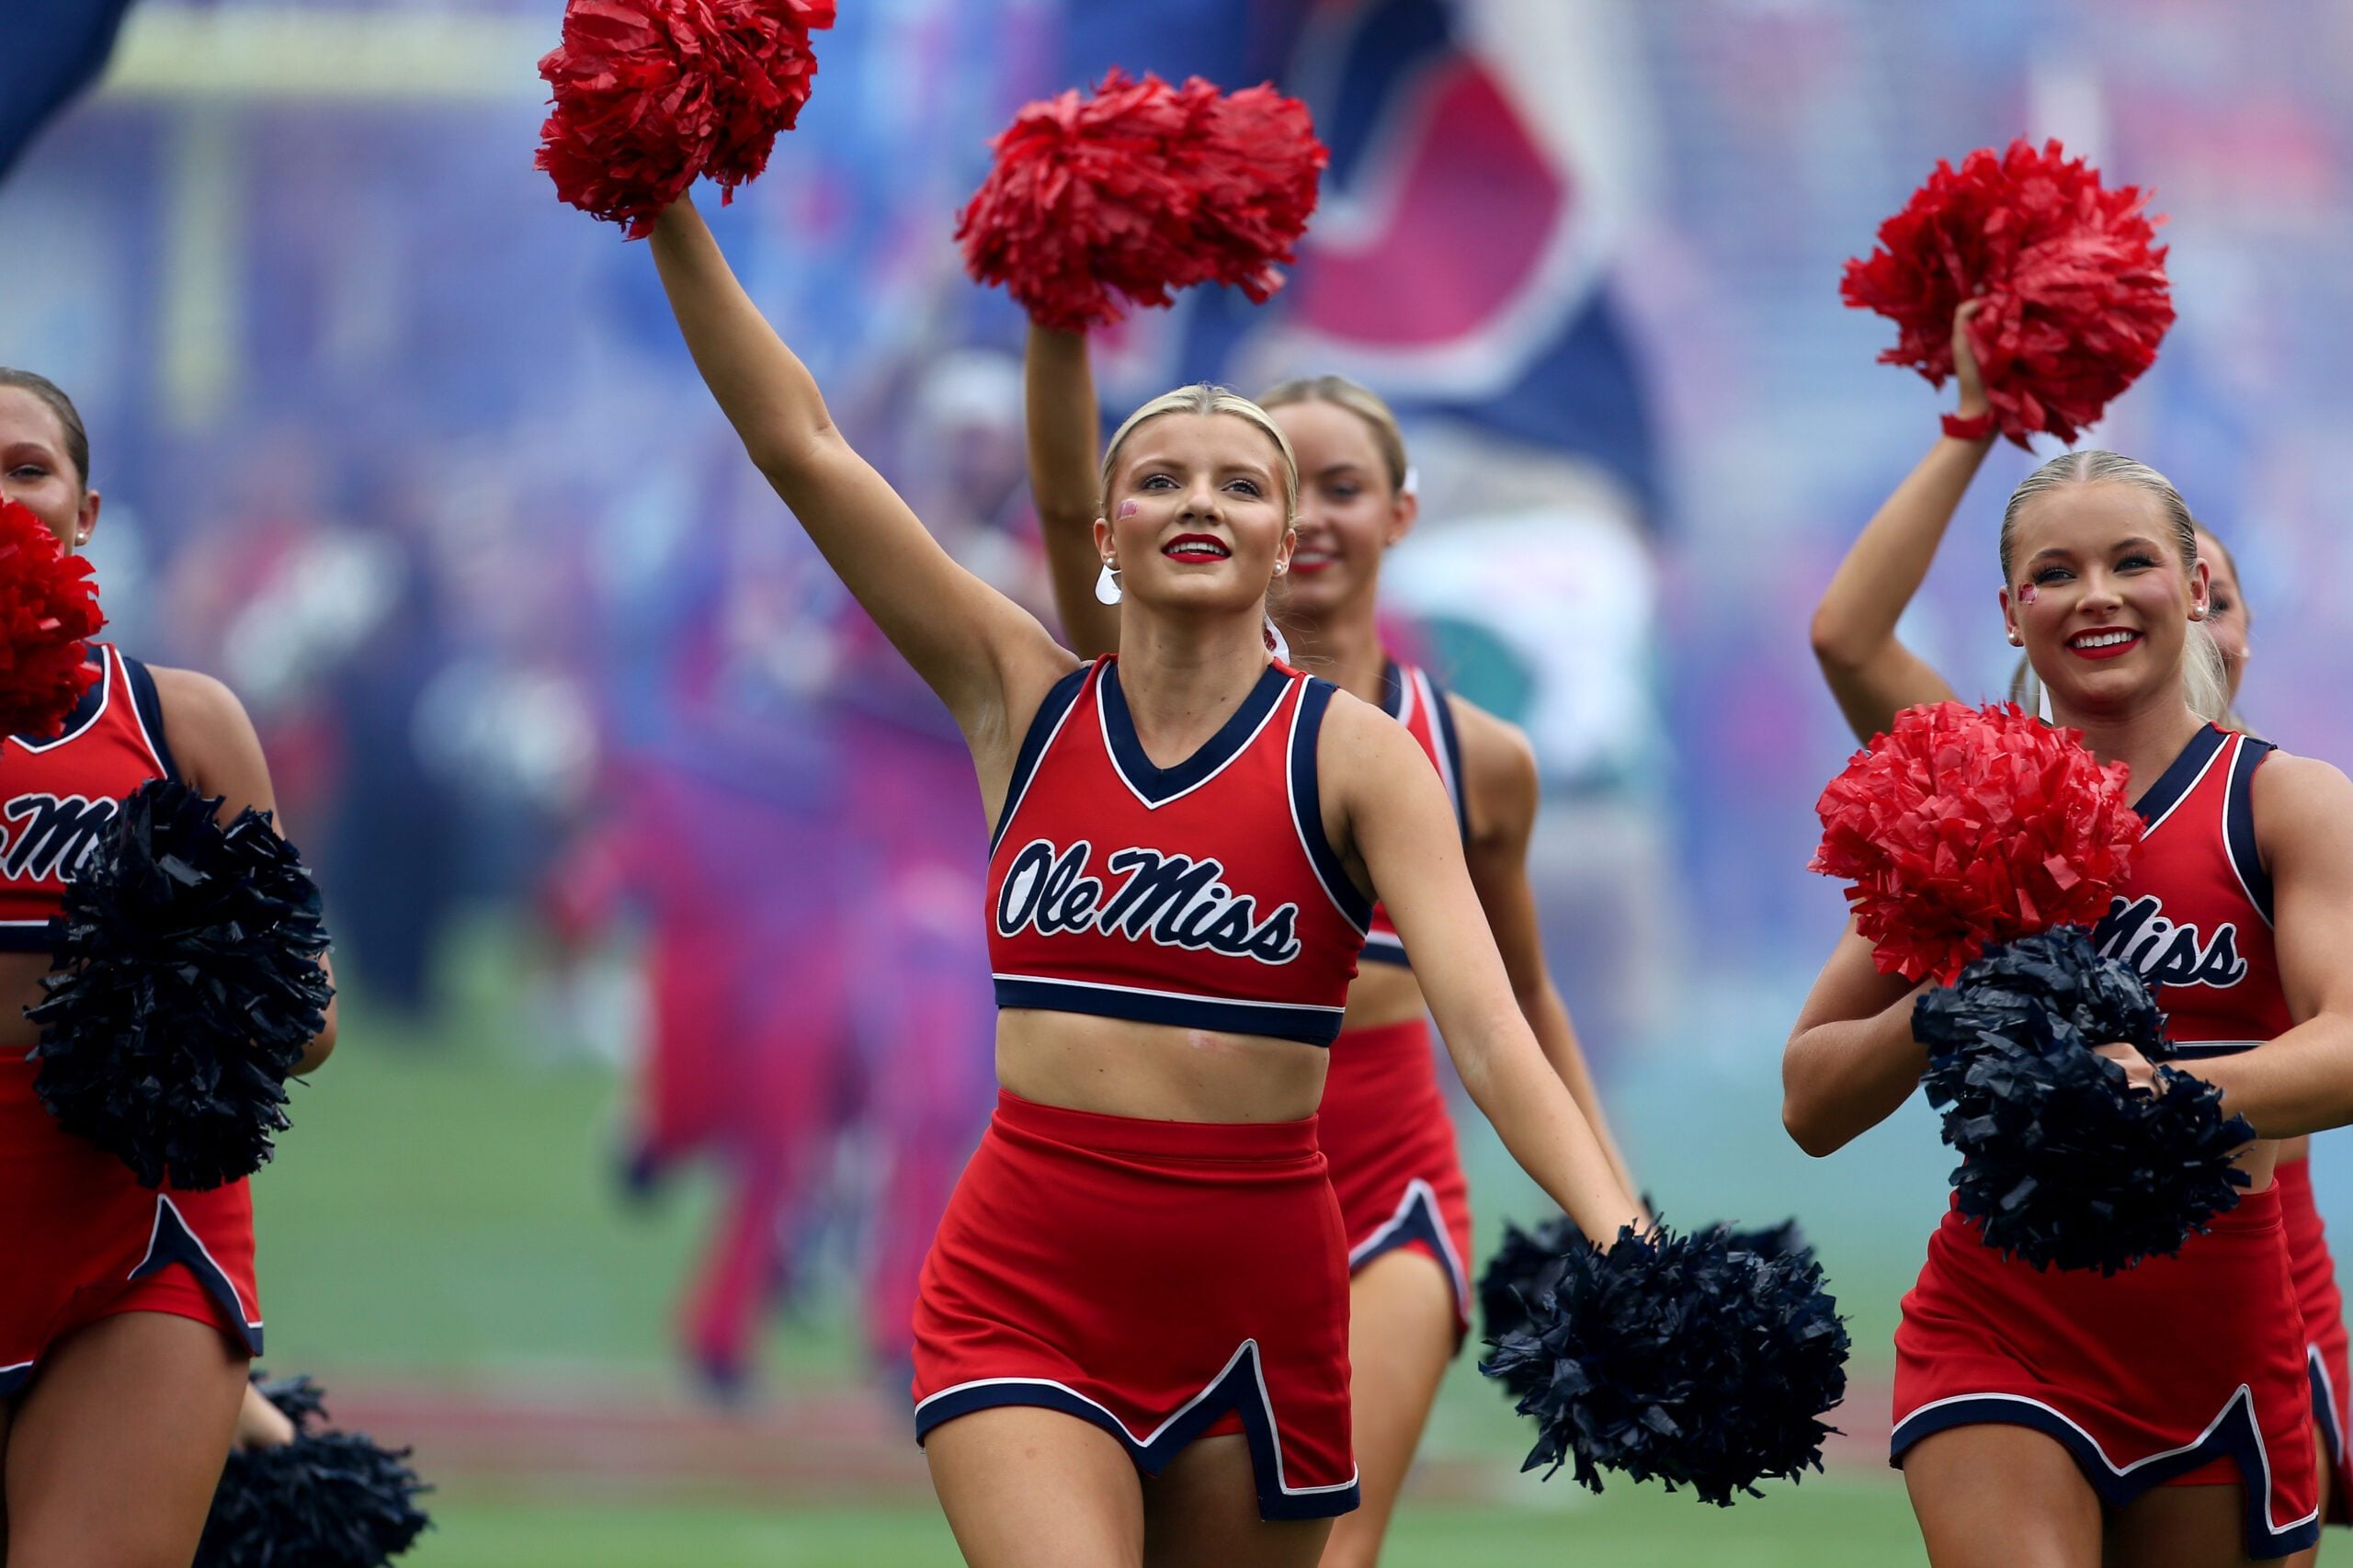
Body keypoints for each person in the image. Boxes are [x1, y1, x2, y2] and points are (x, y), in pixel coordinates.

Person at [642, 196, 1640, 1568]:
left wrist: (1629, 1239)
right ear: (1103, 533)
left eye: (1241, 482)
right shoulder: (1020, 699)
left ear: (1284, 535)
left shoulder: (1361, 759)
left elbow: (1490, 1029)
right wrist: (666, 210)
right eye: (1160, 477)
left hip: (1259, 1299)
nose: (1198, 502)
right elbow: (803, 447)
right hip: (1023, 1278)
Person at [1024, 326, 1636, 1564]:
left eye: (1342, 487)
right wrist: (1059, 313)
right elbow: (1058, 501)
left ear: (1399, 514)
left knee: (1332, 1548)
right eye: (1283, 486)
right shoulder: (1150, 697)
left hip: (1386, 1176)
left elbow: (1517, 1002)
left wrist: (1615, 1217)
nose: (1311, 521)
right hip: (1194, 1180)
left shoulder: (1475, 758)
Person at [1809, 303, 2350, 1558]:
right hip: (2004, 1319)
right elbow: (1812, 1101)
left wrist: (2156, 1090)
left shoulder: (2285, 801)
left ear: (2195, 585)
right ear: (2008, 611)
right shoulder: (1972, 802)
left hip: (2224, 1327)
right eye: (2054, 573)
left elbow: (2349, 1047)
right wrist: (1939, 1009)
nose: (2095, 596)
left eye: (2131, 564)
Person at [0, 367, 339, 1566]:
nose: (1, 495)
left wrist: (170, 996)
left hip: (136, 1240)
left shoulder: (181, 724)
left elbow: (309, 1023)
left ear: (85, 513)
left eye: (28, 468)